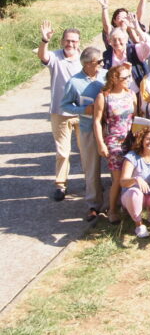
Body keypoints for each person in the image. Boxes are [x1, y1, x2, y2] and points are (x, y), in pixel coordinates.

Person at [60, 47, 107, 221]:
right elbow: (64, 105)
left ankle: (114, 202)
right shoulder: (74, 82)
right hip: (88, 129)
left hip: (108, 128)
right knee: (91, 167)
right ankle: (93, 205)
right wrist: (83, 109)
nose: (102, 64)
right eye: (98, 62)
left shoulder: (105, 75)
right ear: (87, 64)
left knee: (114, 166)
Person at [38, 21, 82, 201]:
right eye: (67, 41)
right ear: (62, 41)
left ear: (79, 42)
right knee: (63, 152)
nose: (70, 44)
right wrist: (44, 40)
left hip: (81, 112)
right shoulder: (55, 57)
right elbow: (43, 56)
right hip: (60, 112)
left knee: (86, 151)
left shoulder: (84, 59)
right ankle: (60, 184)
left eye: (73, 41)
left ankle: (91, 183)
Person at [93, 62, 137, 222]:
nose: (128, 80)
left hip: (130, 140)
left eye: (129, 76)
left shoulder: (131, 94)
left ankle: (128, 206)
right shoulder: (104, 96)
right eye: (125, 77)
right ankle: (112, 209)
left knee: (131, 174)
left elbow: (135, 117)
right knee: (118, 177)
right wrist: (100, 143)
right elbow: (97, 121)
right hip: (114, 141)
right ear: (115, 79)